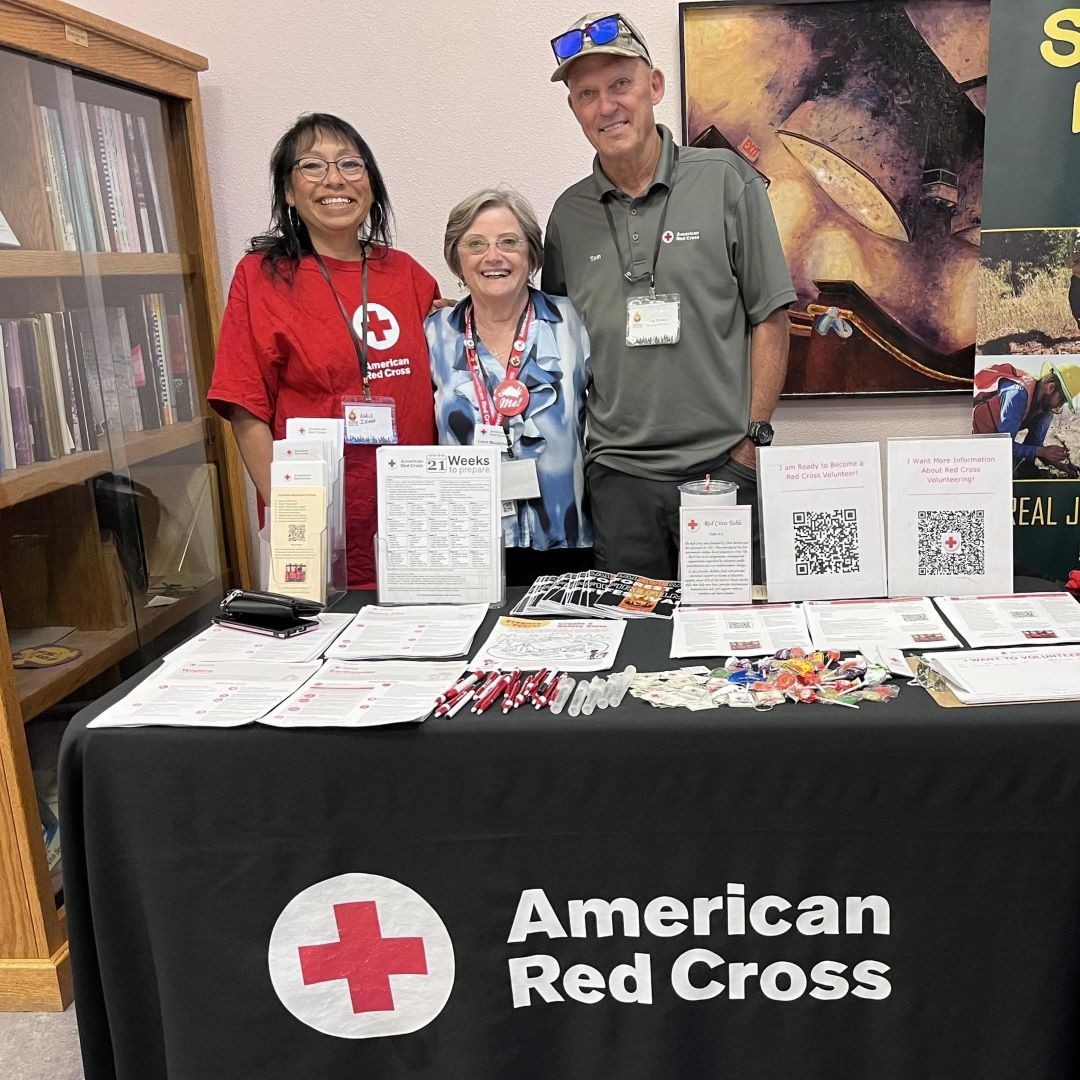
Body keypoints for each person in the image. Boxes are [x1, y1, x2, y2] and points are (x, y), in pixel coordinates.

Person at [542, 12, 797, 581]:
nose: (607, 106)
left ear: (655, 86)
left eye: (620, 85)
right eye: (587, 94)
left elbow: (771, 316)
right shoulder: (568, 215)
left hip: (719, 469)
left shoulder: (726, 180)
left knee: (729, 645)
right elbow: (552, 338)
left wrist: (751, 446)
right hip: (618, 478)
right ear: (575, 110)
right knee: (634, 649)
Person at [208, 113, 440, 589]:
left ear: (371, 185)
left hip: (416, 519)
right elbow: (245, 405)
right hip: (319, 521)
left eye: (351, 165)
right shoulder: (261, 278)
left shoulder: (410, 276)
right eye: (312, 166)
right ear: (289, 192)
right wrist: (293, 521)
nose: (335, 179)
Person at [427, 189, 592, 584]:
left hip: (568, 539)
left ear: (532, 255)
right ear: (457, 259)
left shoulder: (575, 322)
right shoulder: (433, 335)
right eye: (476, 244)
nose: (493, 257)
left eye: (509, 242)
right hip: (469, 543)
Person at [973, 360, 1080, 477]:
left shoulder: (1045, 410)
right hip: (979, 443)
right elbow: (1004, 446)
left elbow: (1034, 445)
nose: (1059, 406)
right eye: (1062, 400)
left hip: (997, 445)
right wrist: (1042, 452)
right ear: (1050, 387)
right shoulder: (1017, 395)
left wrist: (1060, 465)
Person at [1067, 247, 1080, 331]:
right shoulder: (1076, 254)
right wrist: (1076, 260)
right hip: (1077, 279)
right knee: (1074, 303)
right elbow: (1068, 265)